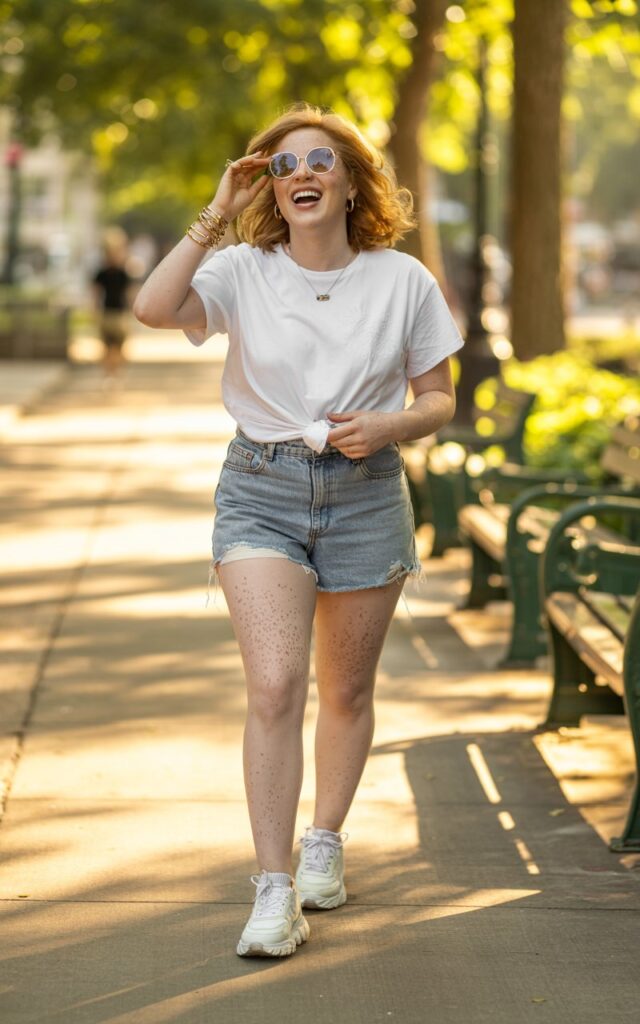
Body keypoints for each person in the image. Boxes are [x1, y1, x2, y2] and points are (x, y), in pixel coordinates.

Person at [133, 102, 463, 958]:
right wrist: (215, 209)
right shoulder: (241, 269)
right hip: (261, 487)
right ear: (271, 190)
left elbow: (439, 397)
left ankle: (325, 842)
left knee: (346, 690)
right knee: (277, 685)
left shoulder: (403, 281)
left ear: (351, 182)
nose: (302, 174)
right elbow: (151, 308)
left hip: (366, 492)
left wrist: (391, 427)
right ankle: (273, 891)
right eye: (283, 167)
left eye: (321, 160)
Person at [92, 241, 133, 381]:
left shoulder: (123, 273)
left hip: (119, 314)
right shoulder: (102, 273)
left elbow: (129, 294)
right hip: (108, 313)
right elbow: (96, 294)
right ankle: (110, 372)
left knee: (117, 347)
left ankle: (114, 372)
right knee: (108, 347)